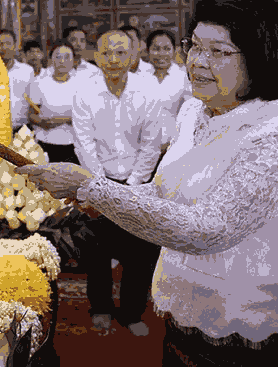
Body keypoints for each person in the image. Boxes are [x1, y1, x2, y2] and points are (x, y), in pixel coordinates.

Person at [17, 0, 278, 366]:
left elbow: (208, 228)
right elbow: (165, 190)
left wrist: (91, 188)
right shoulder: (196, 113)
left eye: (219, 52)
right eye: (194, 46)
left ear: (261, 56)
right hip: (187, 315)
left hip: (248, 336)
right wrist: (98, 195)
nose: (197, 62)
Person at [72, 29, 174, 337]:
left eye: (120, 52)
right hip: (98, 180)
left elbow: (151, 144)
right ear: (96, 57)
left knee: (140, 251)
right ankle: (100, 307)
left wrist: (130, 186)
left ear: (132, 56)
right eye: (107, 53)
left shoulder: (148, 91)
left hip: (139, 183)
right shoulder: (84, 92)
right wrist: (103, 187)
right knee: (98, 250)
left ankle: (132, 312)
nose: (113, 59)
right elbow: (83, 143)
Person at [27, 40, 81, 165]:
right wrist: (42, 122)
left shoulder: (81, 84)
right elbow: (31, 114)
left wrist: (60, 120)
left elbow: (86, 117)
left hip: (73, 146)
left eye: (67, 57)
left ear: (74, 60)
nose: (62, 61)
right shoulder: (39, 83)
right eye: (58, 57)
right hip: (45, 144)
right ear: (51, 59)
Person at [0, 29, 35, 136]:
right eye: (0, 44)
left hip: (22, 130)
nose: (4, 47)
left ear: (15, 46)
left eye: (8, 43)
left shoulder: (27, 71)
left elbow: (33, 102)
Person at [144, 30, 192, 117]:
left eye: (167, 49)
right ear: (148, 50)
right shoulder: (140, 76)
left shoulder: (184, 77)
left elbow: (190, 110)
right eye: (156, 49)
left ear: (174, 50)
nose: (161, 54)